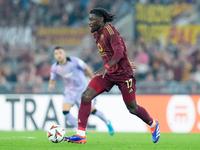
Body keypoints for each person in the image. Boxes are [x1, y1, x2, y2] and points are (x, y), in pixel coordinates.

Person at [65, 8, 160, 144]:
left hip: (123, 75)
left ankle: (153, 124)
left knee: (132, 108)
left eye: (92, 19)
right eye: (89, 20)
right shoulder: (97, 34)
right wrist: (120, 63)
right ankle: (81, 134)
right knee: (86, 96)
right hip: (109, 74)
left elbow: (119, 51)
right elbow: (115, 53)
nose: (90, 22)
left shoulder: (110, 31)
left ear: (101, 19)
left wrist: (109, 66)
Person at [48, 46, 114, 135]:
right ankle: (80, 128)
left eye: (60, 53)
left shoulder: (74, 61)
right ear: (54, 56)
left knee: (92, 110)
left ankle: (107, 122)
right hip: (70, 91)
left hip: (82, 90)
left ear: (64, 53)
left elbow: (86, 68)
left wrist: (93, 79)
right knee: (65, 111)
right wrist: (51, 84)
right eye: (56, 54)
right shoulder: (54, 67)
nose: (59, 55)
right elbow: (53, 77)